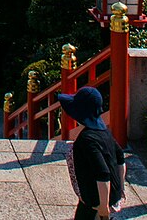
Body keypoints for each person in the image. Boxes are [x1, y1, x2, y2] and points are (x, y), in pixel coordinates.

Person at [57, 86, 126, 220]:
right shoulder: (105, 133)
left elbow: (103, 173)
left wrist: (103, 207)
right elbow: (120, 159)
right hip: (104, 195)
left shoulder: (87, 139)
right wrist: (119, 190)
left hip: (95, 200)